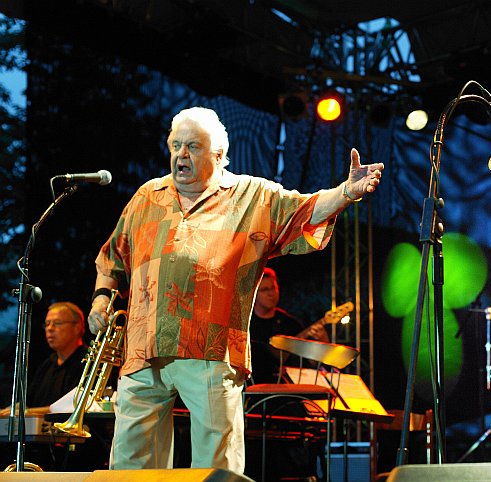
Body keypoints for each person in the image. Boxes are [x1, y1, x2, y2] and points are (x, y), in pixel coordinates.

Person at [87, 106, 383, 472]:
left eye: (193, 146)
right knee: (130, 463)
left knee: (216, 465)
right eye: (175, 145)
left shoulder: (250, 196)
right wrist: (101, 297)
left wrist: (346, 192)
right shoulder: (148, 195)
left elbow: (304, 209)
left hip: (210, 346)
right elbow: (112, 257)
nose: (181, 155)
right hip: (144, 346)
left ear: (219, 155)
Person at [0, 301, 87, 417]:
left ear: (77, 327)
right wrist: (11, 410)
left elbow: (77, 406)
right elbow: (27, 402)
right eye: (47, 324)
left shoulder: (88, 361)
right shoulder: (48, 364)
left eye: (57, 323)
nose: (50, 329)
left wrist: (26, 412)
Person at [249, 267, 329, 384]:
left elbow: (311, 363)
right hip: (252, 385)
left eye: (274, 288)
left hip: (286, 389)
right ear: (254, 293)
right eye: (265, 290)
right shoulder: (247, 323)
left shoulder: (290, 324)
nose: (271, 293)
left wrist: (323, 343)